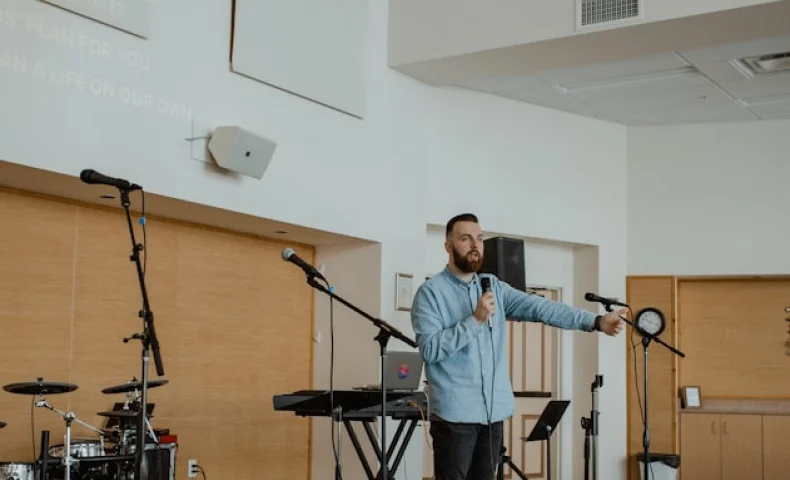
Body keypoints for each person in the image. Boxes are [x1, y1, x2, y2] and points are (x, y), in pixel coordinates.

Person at [411, 213, 625, 480]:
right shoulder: (430, 293)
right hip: (455, 417)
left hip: (493, 414)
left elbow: (542, 308)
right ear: (448, 246)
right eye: (465, 239)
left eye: (479, 238)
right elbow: (429, 350)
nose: (475, 245)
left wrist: (594, 320)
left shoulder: (494, 288)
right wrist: (475, 320)